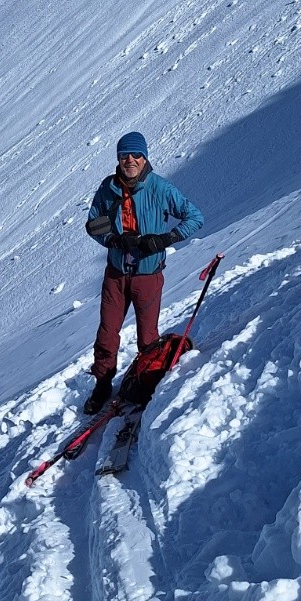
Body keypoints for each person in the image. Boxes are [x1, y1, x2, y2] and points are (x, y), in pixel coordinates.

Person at [82, 130, 204, 414]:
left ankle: (146, 382)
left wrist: (165, 239)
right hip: (115, 274)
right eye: (125, 155)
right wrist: (113, 239)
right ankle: (102, 384)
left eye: (136, 155)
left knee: (148, 336)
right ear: (118, 159)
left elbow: (195, 217)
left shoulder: (160, 188)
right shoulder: (108, 188)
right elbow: (93, 223)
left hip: (148, 275)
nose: (130, 160)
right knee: (107, 332)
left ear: (145, 157)